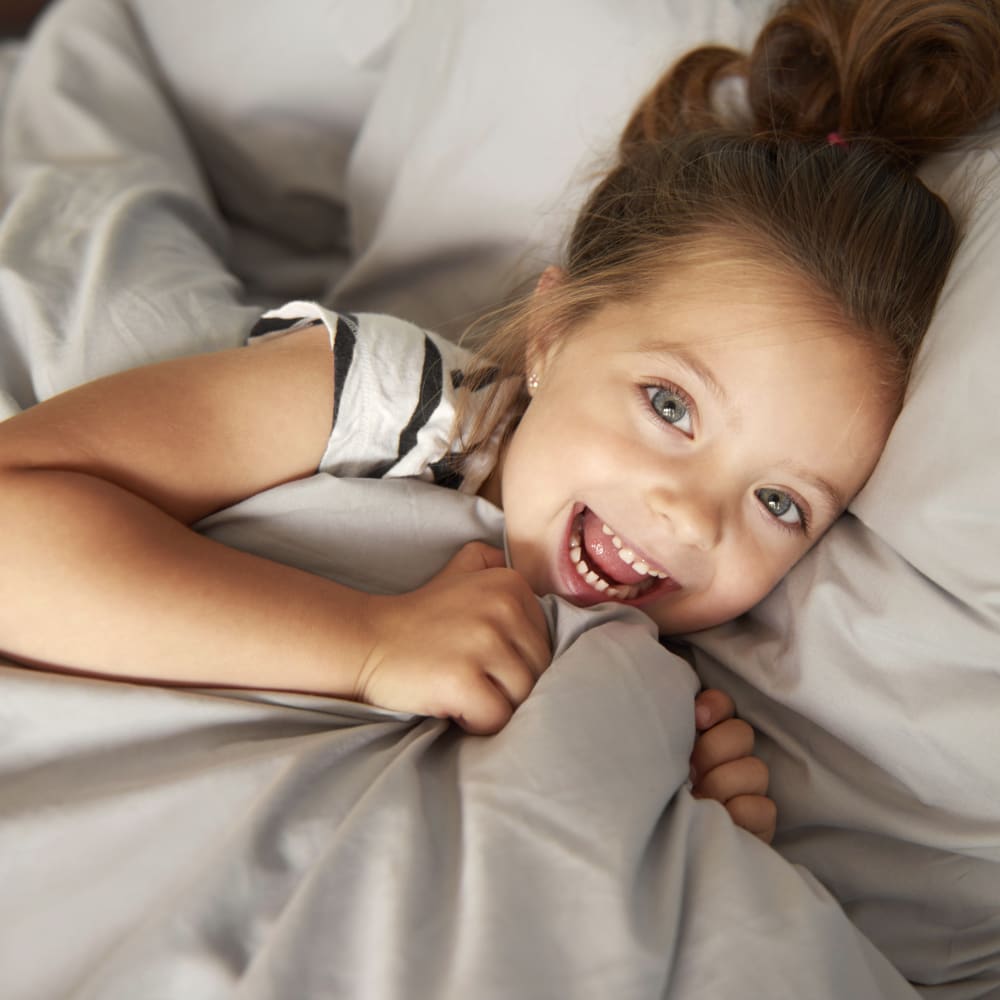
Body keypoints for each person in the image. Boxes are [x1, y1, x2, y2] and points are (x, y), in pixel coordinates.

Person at [0, 0, 997, 849]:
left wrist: (674, 815)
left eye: (779, 500)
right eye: (669, 405)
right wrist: (367, 642)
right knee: (89, 217)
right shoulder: (392, 399)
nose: (691, 518)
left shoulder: (661, 648)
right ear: (555, 334)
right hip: (103, 365)